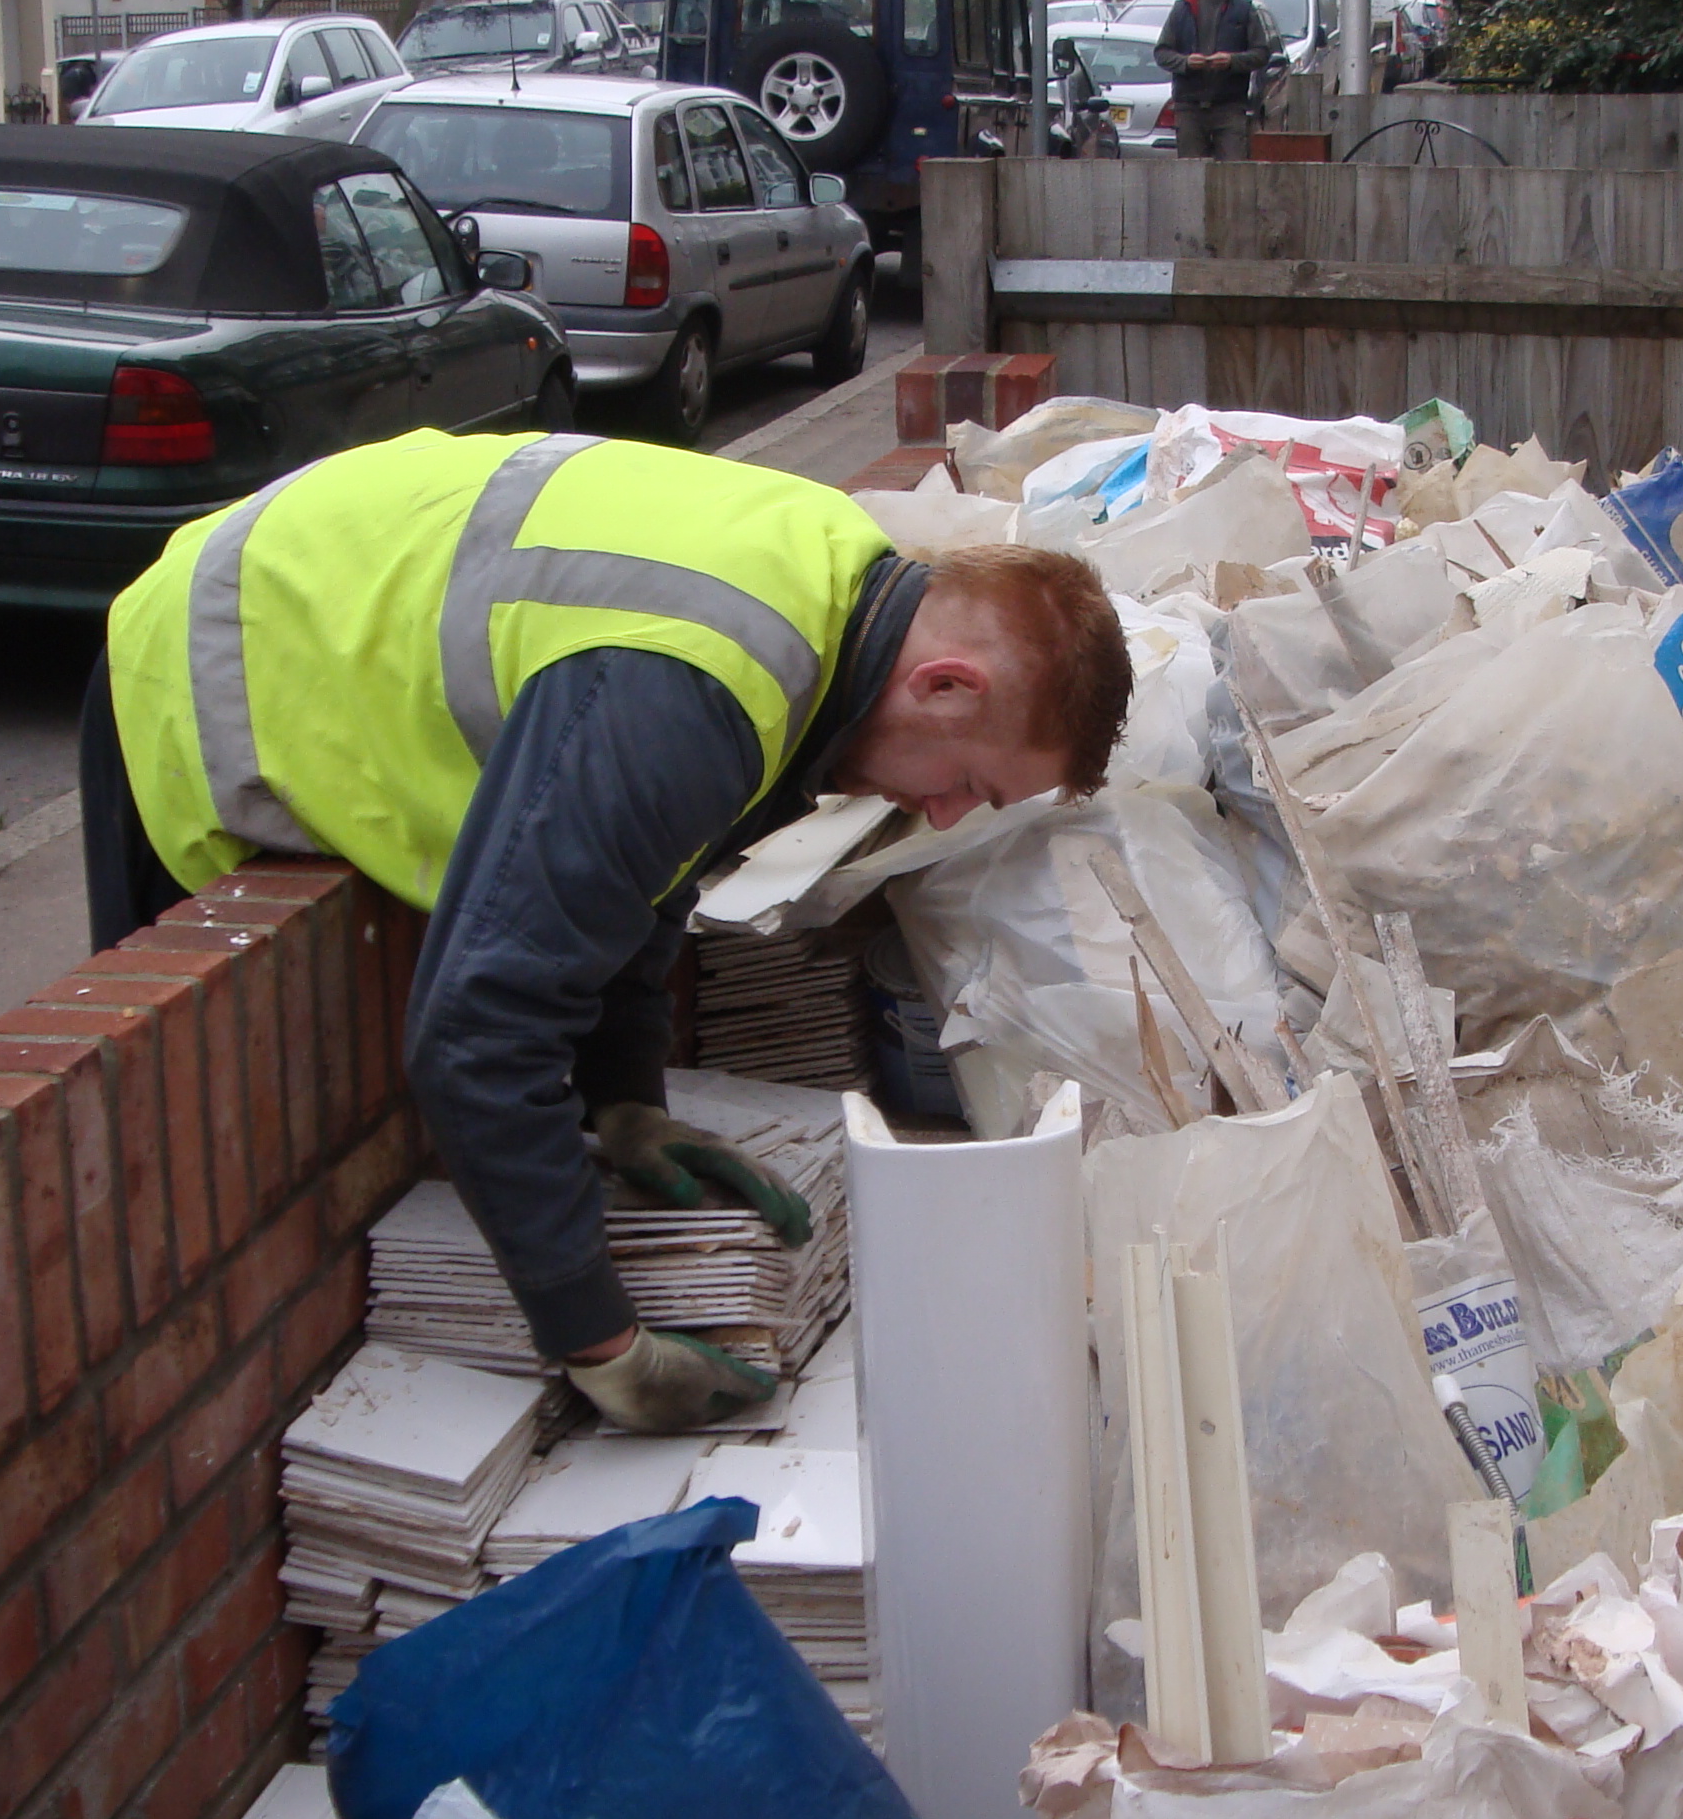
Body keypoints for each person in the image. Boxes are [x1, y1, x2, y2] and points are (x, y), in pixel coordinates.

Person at [83, 427, 1133, 1432]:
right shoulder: (693, 686)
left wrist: (626, 1102)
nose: (944, 814)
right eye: (967, 783)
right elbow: (474, 1036)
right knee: (155, 1154)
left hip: (316, 588)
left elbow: (647, 866)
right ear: (944, 684)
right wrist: (601, 1345)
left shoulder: (834, 590)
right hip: (214, 665)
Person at [1151, 0, 1272, 162]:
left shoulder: (1244, 9)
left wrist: (1232, 61)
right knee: (1191, 173)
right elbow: (1162, 53)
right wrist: (1185, 62)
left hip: (1230, 106)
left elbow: (1261, 53)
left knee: (1233, 173)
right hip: (1189, 107)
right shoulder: (1183, 8)